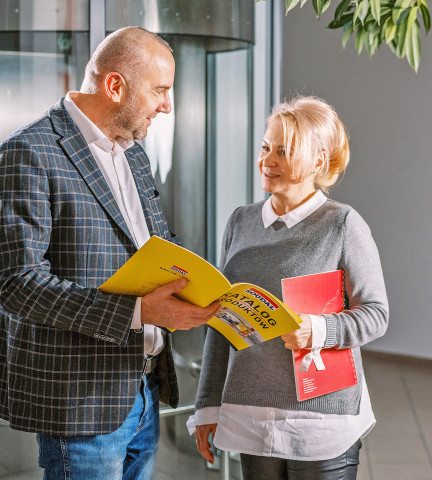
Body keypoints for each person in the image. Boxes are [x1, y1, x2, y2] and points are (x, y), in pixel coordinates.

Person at [0, 27, 219, 480]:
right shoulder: (28, 153)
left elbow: (153, 245)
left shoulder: (133, 153)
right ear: (114, 86)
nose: (167, 105)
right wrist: (139, 311)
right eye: (160, 90)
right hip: (82, 405)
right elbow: (16, 284)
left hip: (144, 390)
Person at [188, 96, 389, 479]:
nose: (268, 160)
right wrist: (208, 405)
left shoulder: (343, 224)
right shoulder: (240, 221)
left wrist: (318, 330)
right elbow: (221, 319)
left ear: (318, 161)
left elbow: (376, 315)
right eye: (266, 147)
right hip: (252, 415)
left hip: (322, 421)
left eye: (285, 150)